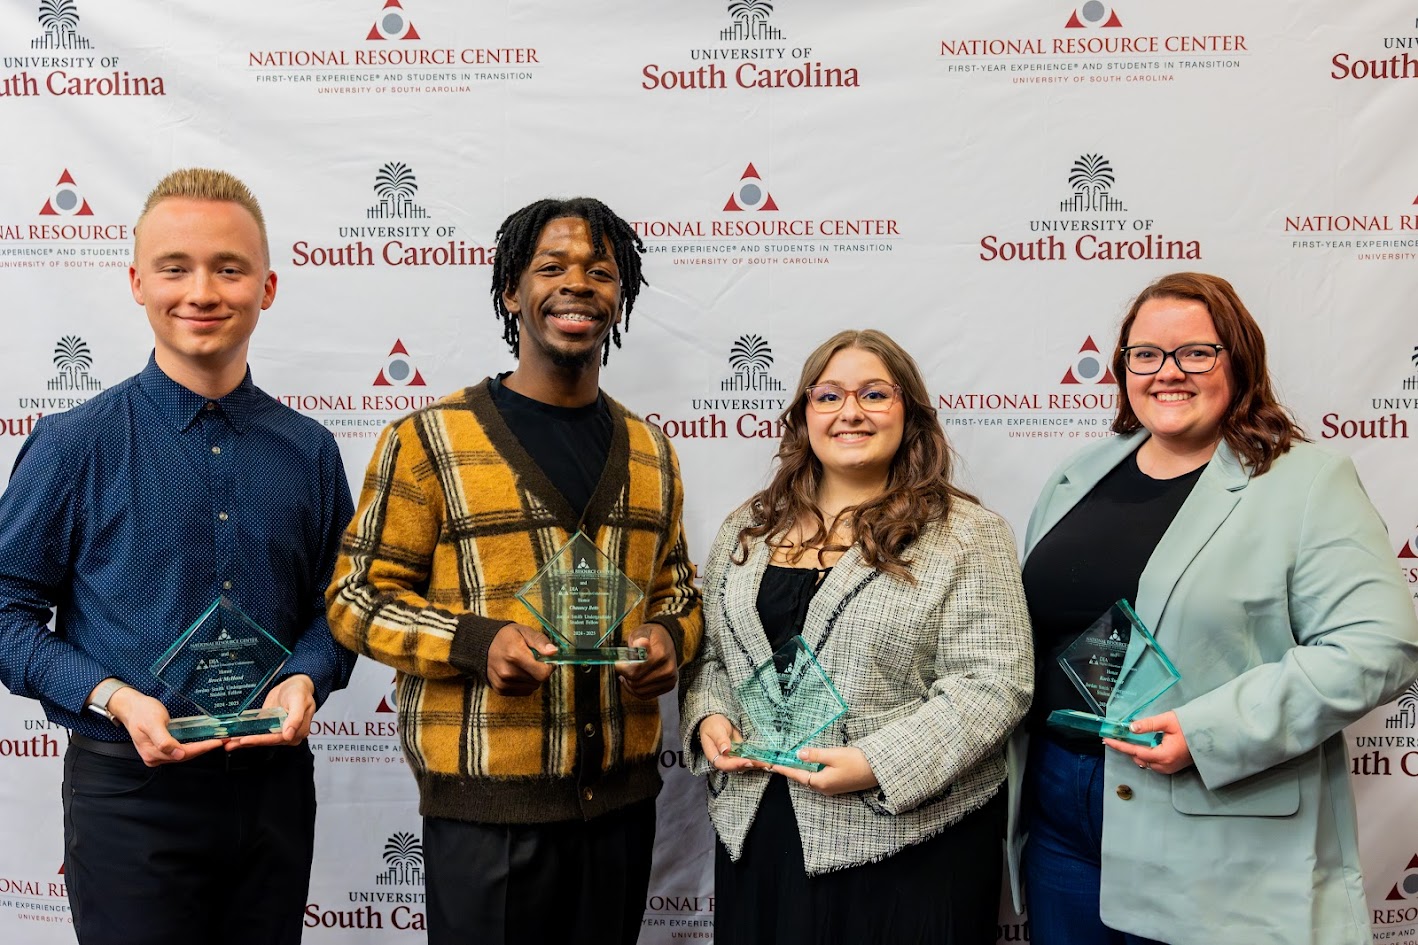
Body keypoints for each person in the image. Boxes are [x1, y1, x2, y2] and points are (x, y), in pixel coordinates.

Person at [326, 196, 703, 945]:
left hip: (620, 811)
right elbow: (355, 598)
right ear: (511, 291)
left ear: (620, 295)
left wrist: (668, 635)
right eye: (552, 266)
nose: (579, 284)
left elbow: (679, 592)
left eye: (601, 270)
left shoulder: (651, 451)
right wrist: (475, 642)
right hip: (485, 814)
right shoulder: (430, 439)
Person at [1006, 271, 1418, 945]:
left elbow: (1381, 646)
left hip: (1214, 815)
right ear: (1122, 367)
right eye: (1146, 354)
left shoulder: (1307, 481)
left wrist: (1210, 731)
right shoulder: (1078, 475)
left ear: (1239, 360)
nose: (1168, 372)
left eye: (1196, 352)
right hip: (1062, 817)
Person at [0, 168, 356, 945]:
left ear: (267, 287)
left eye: (229, 268)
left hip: (273, 794)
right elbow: (4, 613)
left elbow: (343, 606)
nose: (203, 291)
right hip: (131, 793)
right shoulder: (72, 447)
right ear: (136, 282)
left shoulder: (310, 451)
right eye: (176, 267)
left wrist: (307, 675)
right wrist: (115, 698)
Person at [680, 329, 1033, 944]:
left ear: (909, 412)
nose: (850, 412)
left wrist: (876, 763)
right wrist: (710, 714)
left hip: (906, 842)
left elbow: (995, 684)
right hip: (760, 830)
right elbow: (715, 655)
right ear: (804, 414)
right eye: (829, 396)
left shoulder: (967, 534)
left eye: (874, 394)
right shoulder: (749, 527)